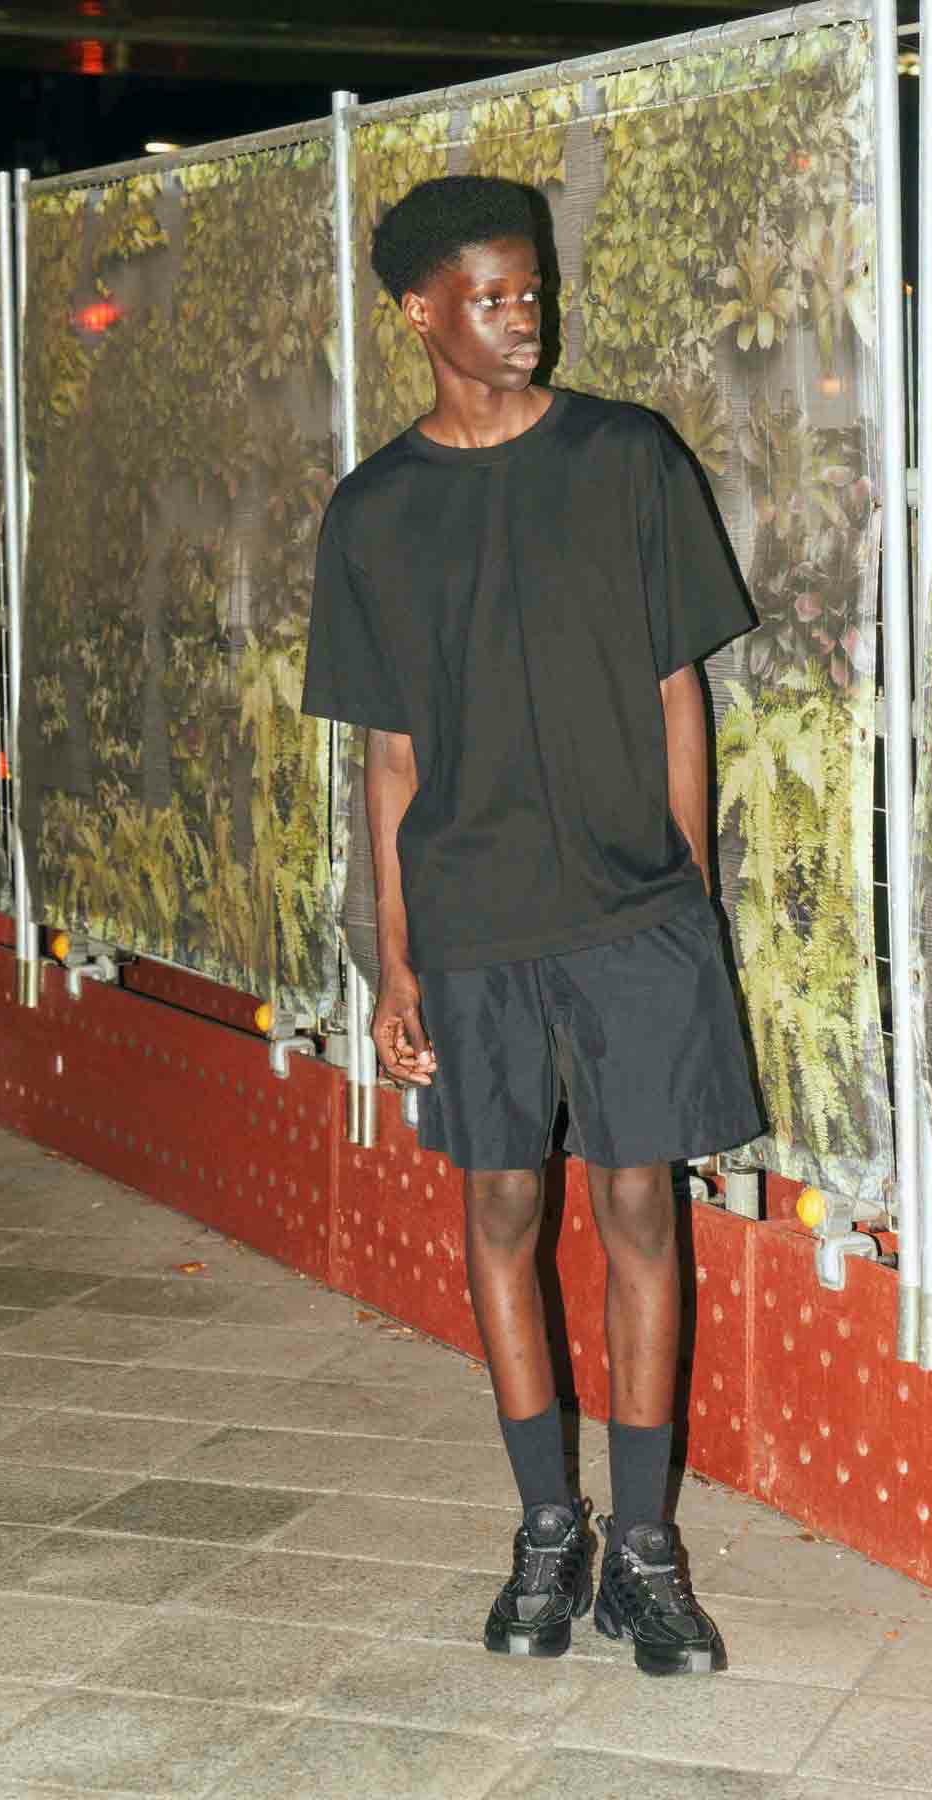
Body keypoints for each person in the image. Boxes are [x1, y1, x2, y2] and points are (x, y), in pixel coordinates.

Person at [302, 175, 763, 1677]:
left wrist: (686, 900)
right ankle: (547, 1530)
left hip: (633, 912)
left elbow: (679, 693)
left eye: (533, 293)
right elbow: (387, 760)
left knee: (640, 1207)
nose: (523, 320)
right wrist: (394, 960)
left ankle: (647, 1553)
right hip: (474, 916)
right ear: (420, 310)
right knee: (502, 1204)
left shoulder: (627, 458)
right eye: (492, 297)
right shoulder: (374, 512)